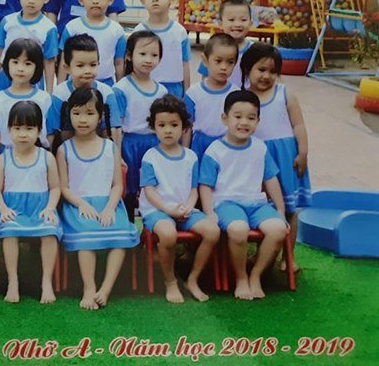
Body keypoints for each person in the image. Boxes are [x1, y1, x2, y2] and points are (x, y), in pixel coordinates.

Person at [198, 90, 288, 301]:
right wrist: (209, 212)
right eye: (237, 116)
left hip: (257, 204)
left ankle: (255, 275)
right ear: (225, 118)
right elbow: (205, 185)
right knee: (238, 229)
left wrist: (280, 210)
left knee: (278, 229)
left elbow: (271, 179)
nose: (244, 122)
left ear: (258, 121)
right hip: (226, 203)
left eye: (251, 118)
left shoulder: (259, 147)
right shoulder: (215, 150)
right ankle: (241, 277)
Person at [56, 86, 139, 310]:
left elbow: (117, 185)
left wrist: (110, 208)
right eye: (77, 113)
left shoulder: (110, 147)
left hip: (109, 203)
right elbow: (63, 187)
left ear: (100, 116)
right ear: (69, 115)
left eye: (90, 113)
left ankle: (106, 289)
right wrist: (81, 204)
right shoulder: (64, 149)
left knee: (120, 235)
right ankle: (89, 287)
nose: (83, 119)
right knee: (86, 236)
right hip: (77, 206)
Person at [139, 95, 220, 303]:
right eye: (162, 125)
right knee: (168, 234)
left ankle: (192, 279)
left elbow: (193, 190)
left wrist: (188, 207)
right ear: (153, 127)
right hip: (158, 210)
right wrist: (169, 210)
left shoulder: (191, 157)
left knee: (212, 231)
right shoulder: (150, 156)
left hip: (185, 209)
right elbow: (149, 192)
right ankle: (170, 281)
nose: (168, 130)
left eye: (174, 125)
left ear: (184, 127)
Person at [241, 43, 311, 271]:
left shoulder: (284, 94)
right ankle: (262, 253)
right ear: (247, 69)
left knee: (290, 209)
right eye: (261, 69)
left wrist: (303, 153)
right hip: (256, 161)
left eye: (272, 71)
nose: (266, 76)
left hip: (286, 157)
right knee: (263, 207)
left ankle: (288, 257)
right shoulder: (242, 97)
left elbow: (298, 125)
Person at [0, 101, 62, 304]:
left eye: (29, 128)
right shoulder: (4, 158)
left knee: (49, 231)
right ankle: (13, 281)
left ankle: (46, 282)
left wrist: (50, 208)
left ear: (39, 130)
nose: (23, 134)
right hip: (13, 209)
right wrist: (3, 209)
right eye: (17, 128)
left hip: (40, 208)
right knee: (10, 231)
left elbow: (55, 187)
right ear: (9, 130)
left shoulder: (47, 157)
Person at [113, 31, 168, 216]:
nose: (148, 59)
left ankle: (151, 224)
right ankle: (129, 223)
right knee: (129, 188)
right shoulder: (121, 88)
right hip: (129, 145)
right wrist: (117, 153)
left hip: (154, 144)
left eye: (154, 55)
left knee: (151, 187)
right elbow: (117, 125)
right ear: (129, 55)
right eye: (143, 54)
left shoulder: (161, 91)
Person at [0, 39, 58, 159]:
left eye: (27, 63)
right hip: (7, 157)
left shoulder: (44, 99)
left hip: (37, 157)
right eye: (15, 62)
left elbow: (50, 134)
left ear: (37, 67)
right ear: (7, 63)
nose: (20, 68)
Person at [0, 0, 58, 92]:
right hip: (6, 78)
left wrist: (49, 92)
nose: (31, 0)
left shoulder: (49, 28)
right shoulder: (7, 22)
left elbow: (49, 62)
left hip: (33, 81)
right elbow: (0, 53)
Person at [57, 0, 126, 86]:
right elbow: (64, 60)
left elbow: (119, 63)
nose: (95, 1)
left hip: (106, 85)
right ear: (81, 0)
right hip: (76, 86)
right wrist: (60, 88)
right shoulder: (72, 27)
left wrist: (120, 89)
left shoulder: (117, 31)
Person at [52, 34, 122, 145]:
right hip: (67, 149)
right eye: (80, 66)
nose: (87, 71)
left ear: (98, 64)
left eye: (93, 65)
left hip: (100, 149)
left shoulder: (106, 92)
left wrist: (115, 153)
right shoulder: (60, 94)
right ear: (67, 68)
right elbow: (53, 130)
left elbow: (114, 129)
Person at [132, 0, 190, 97]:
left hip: (174, 90)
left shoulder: (179, 31)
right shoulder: (138, 32)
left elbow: (185, 63)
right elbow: (132, 64)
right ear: (142, 1)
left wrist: (187, 94)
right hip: (145, 88)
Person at [183, 33, 238, 162]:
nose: (224, 67)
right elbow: (187, 127)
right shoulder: (193, 93)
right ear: (205, 60)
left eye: (230, 62)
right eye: (218, 61)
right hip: (200, 147)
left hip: (226, 146)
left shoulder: (236, 94)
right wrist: (185, 155)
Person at [197, 0, 254, 86]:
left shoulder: (255, 51)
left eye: (243, 20)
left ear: (251, 23)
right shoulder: (213, 48)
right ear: (220, 23)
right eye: (231, 20)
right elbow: (205, 79)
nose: (237, 24)